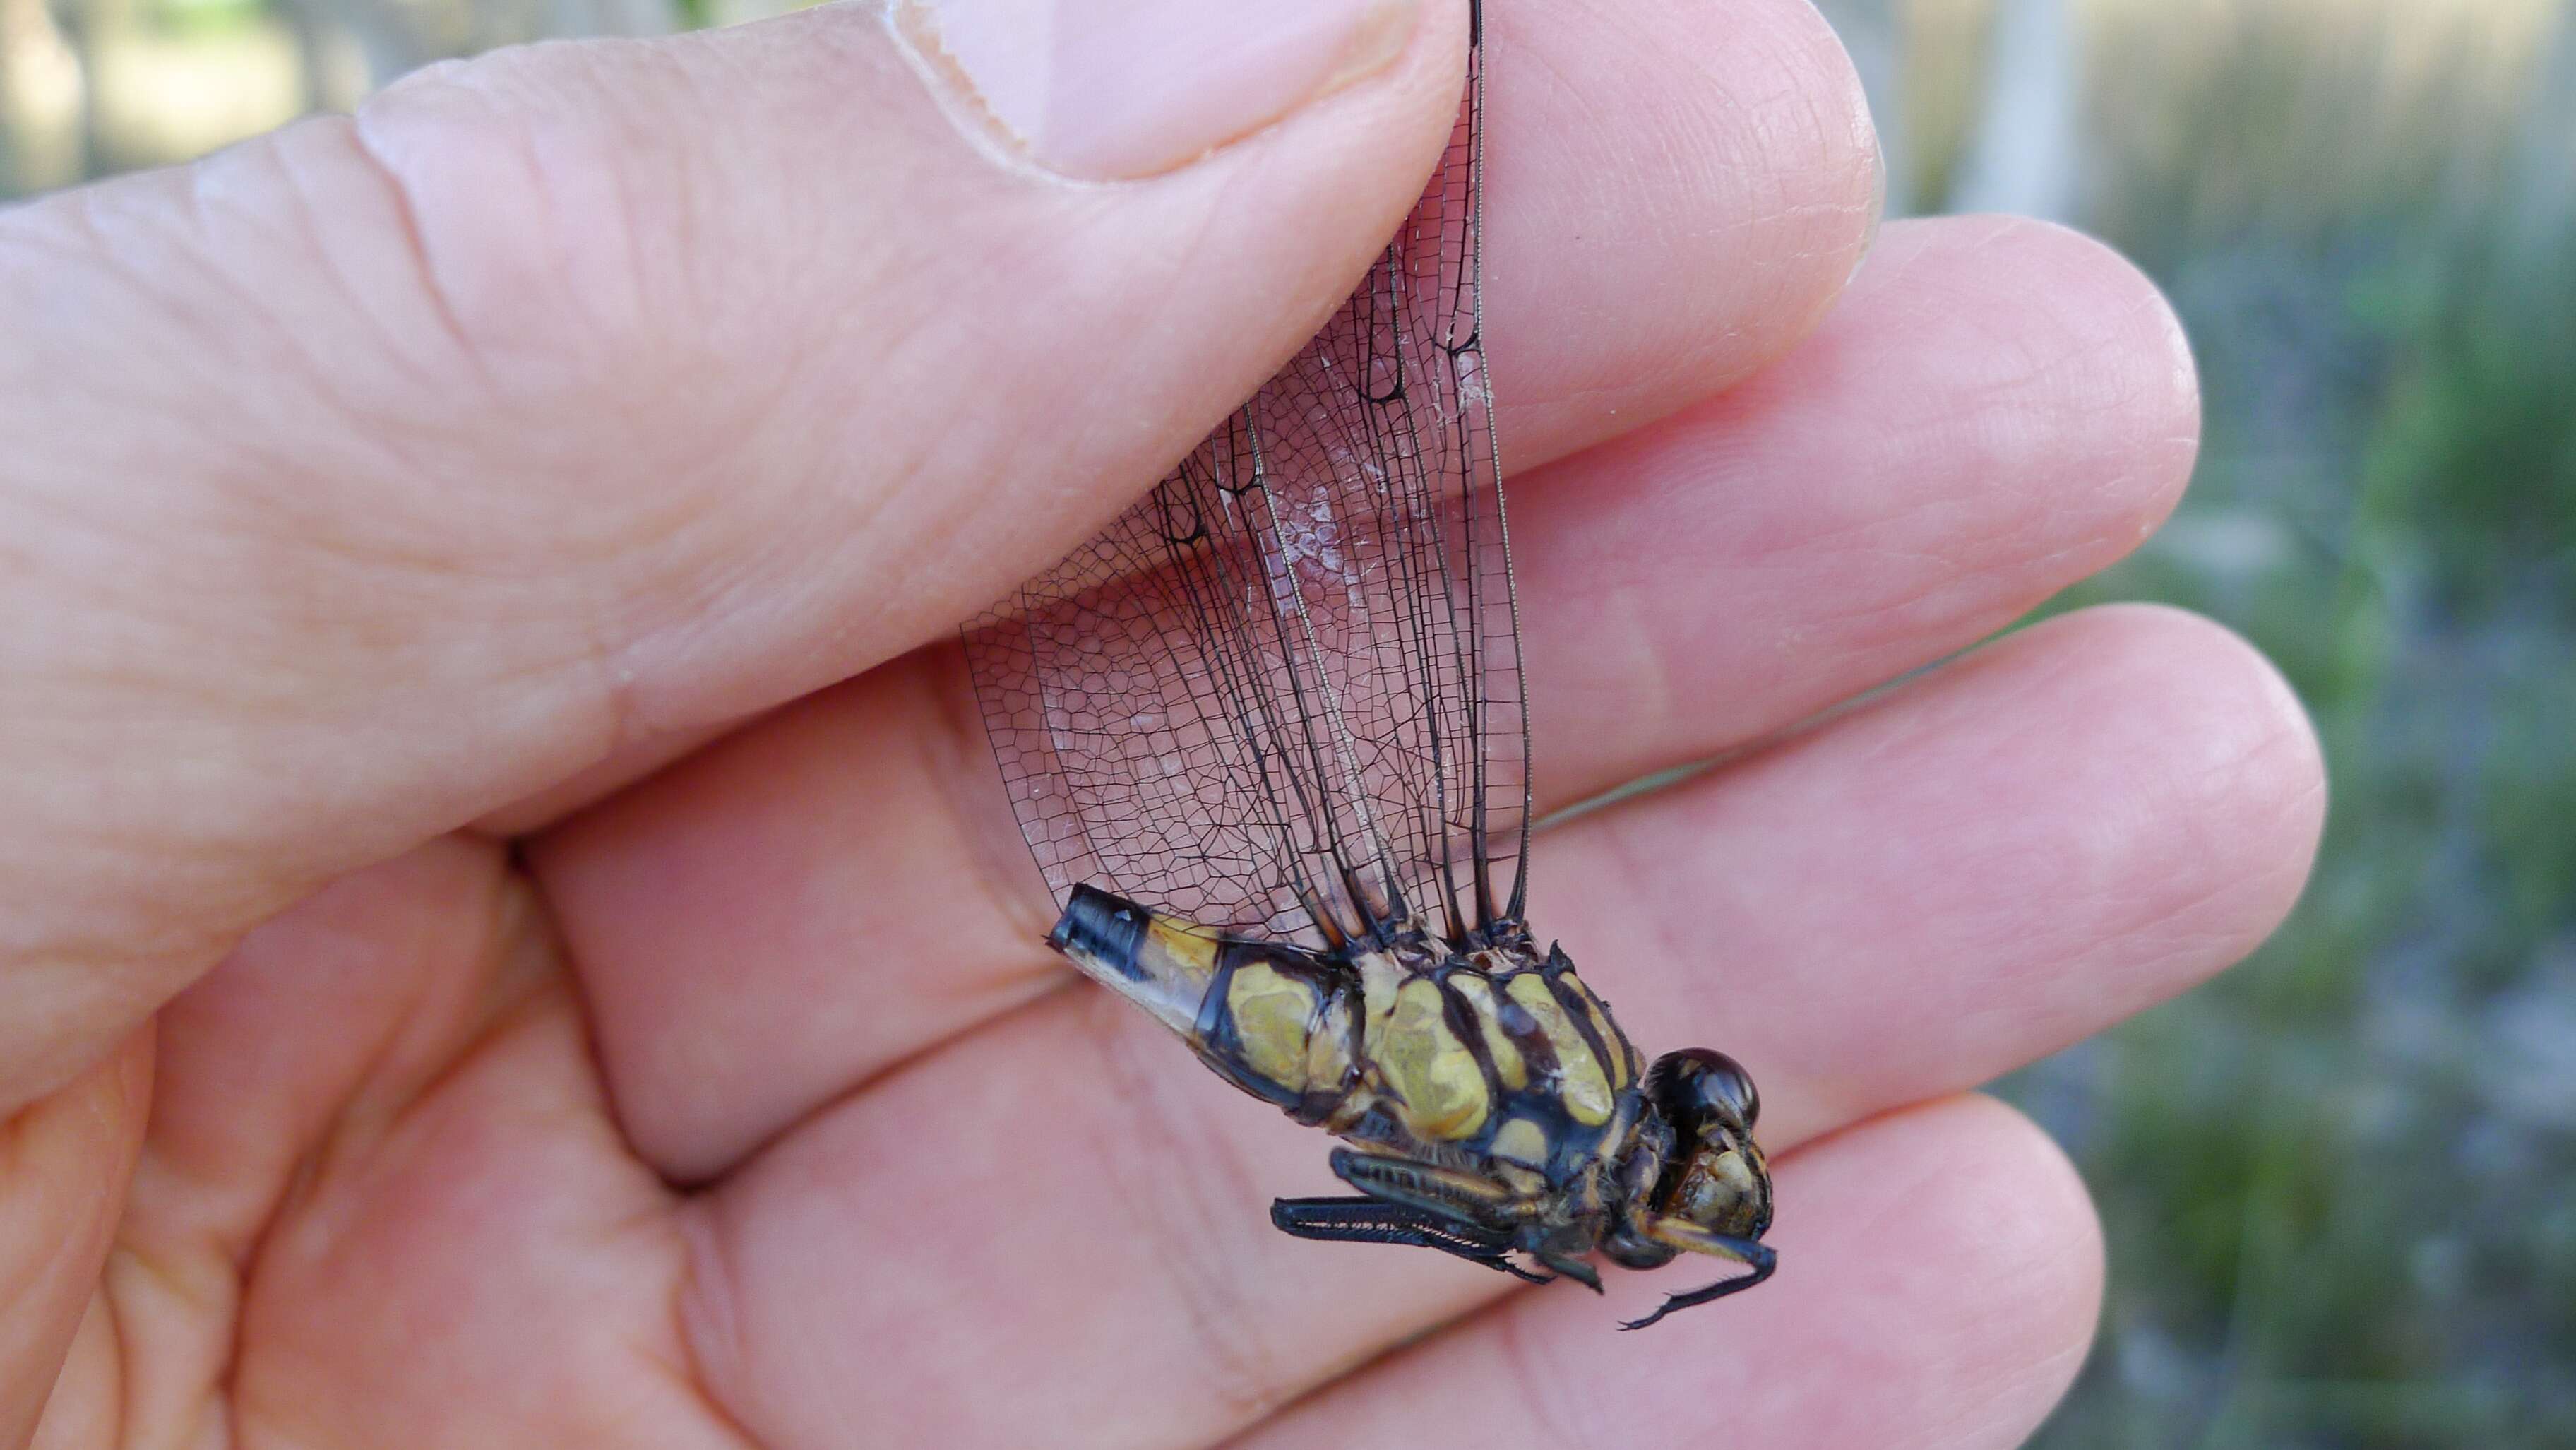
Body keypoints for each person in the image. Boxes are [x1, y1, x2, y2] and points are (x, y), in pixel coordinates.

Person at [0, 0, 2324, 1444]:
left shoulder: (1521, 1144)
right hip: (1275, 954)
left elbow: (1338, 1184)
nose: (1689, 1119)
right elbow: (1341, 1187)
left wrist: (1487, 1187)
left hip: (1283, 957)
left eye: (1677, 1142)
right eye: (1692, 1124)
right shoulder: (1539, 1132)